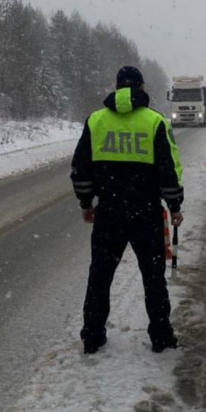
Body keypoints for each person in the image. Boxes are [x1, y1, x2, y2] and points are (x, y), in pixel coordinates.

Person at [70, 66, 184, 354]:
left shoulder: (96, 120)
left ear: (117, 87)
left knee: (100, 276)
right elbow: (167, 170)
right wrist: (174, 206)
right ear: (142, 88)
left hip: (109, 213)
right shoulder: (154, 122)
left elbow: (81, 169)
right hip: (146, 213)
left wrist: (86, 203)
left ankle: (92, 336)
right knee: (153, 277)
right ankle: (161, 336)